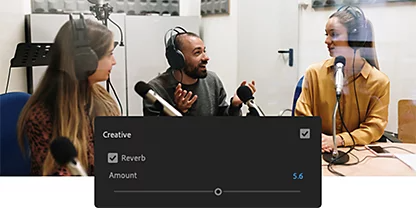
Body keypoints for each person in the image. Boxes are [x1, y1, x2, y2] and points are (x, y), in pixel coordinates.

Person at [17, 14, 120, 176]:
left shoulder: (103, 99)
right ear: (84, 61)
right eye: (109, 54)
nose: (114, 61)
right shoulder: (42, 116)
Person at [295, 5, 390, 153]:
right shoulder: (314, 73)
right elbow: (302, 117)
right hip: (318, 150)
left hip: (359, 155)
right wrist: (318, 139)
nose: (327, 41)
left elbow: (374, 127)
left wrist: (338, 141)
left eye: (333, 34)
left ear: (355, 39)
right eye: (326, 34)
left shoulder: (379, 82)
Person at [143, 27, 256, 116]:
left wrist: (235, 106)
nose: (206, 58)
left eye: (204, 51)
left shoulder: (212, 81)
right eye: (197, 53)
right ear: (178, 59)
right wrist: (177, 110)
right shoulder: (155, 90)